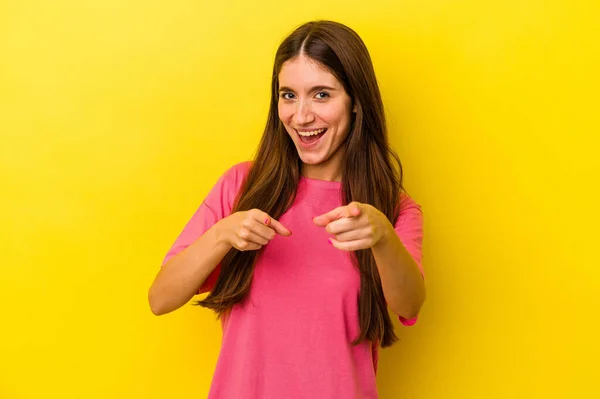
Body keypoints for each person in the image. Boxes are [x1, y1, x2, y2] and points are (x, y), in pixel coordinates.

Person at [148, 20, 426, 399]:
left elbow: (409, 304)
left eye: (322, 95)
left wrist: (382, 238)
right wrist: (222, 234)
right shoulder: (241, 186)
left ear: (356, 101)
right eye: (288, 95)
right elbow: (160, 298)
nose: (301, 116)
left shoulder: (391, 210)